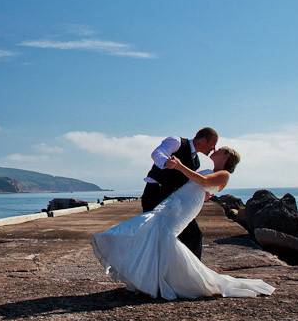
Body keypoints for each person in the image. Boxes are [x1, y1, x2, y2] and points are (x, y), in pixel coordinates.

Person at [91, 146, 274, 300]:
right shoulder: (211, 170)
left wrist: (180, 166)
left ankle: (162, 281)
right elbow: (199, 184)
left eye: (220, 150)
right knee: (155, 231)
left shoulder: (224, 174)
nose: (215, 150)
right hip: (178, 201)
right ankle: (154, 279)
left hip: (185, 206)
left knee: (164, 234)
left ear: (227, 156)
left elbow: (203, 181)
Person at [141, 127, 218, 260]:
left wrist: (202, 194)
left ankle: (192, 273)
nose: (214, 149)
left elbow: (187, 183)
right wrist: (166, 162)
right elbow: (157, 153)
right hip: (155, 194)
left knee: (193, 234)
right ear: (203, 140)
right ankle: (153, 274)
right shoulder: (176, 142)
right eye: (213, 144)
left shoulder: (196, 162)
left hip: (173, 199)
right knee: (154, 237)